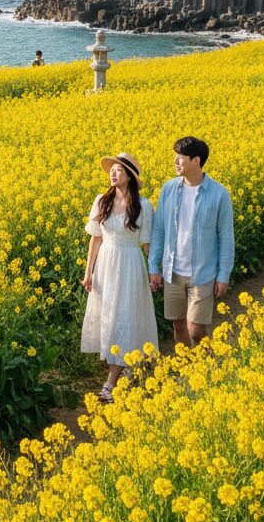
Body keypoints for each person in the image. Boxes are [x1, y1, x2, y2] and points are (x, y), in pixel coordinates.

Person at [81, 152, 158, 402]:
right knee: (109, 316)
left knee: (125, 316)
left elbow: (147, 244)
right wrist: (88, 272)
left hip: (130, 265)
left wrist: (154, 272)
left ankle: (110, 382)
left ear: (130, 177)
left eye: (119, 170)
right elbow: (96, 239)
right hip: (105, 264)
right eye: (112, 170)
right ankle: (126, 366)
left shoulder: (144, 205)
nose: (113, 174)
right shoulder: (101, 200)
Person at [148, 136, 234, 349]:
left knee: (196, 329)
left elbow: (226, 237)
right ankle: (186, 365)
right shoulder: (168, 189)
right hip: (172, 271)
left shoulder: (219, 194)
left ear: (196, 161)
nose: (175, 161)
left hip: (203, 272)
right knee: (178, 325)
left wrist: (223, 275)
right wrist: (154, 266)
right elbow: (159, 229)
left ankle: (203, 363)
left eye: (180, 157)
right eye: (175, 156)